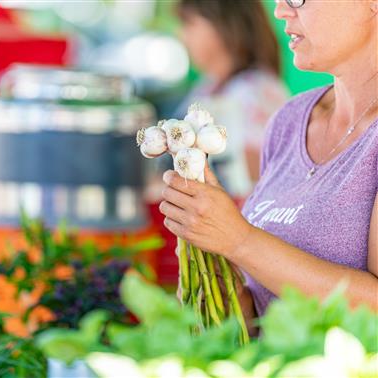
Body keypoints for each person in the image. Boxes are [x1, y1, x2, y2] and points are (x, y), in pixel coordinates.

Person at [159, 0, 378, 325]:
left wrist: (240, 241)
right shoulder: (288, 121)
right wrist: (232, 299)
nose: (280, 11)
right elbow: (269, 305)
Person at [175, 0, 289, 200]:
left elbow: (254, 174)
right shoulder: (207, 86)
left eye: (189, 24)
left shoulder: (255, 90)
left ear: (223, 24)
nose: (182, 36)